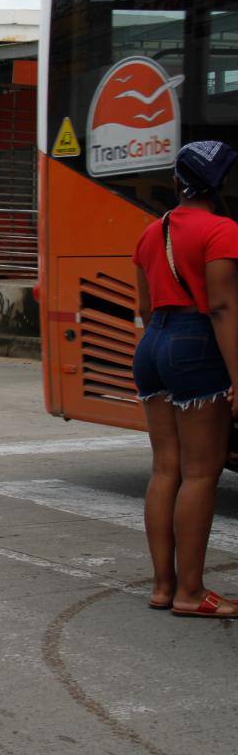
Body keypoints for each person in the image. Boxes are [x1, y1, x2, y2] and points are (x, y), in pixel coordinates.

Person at [132, 140, 238, 619]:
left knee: (165, 469)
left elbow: (145, 308)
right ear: (222, 184)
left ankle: (163, 586)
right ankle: (192, 594)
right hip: (196, 342)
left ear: (177, 181)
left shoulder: (151, 233)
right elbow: (220, 306)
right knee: (201, 472)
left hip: (152, 344)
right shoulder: (222, 230)